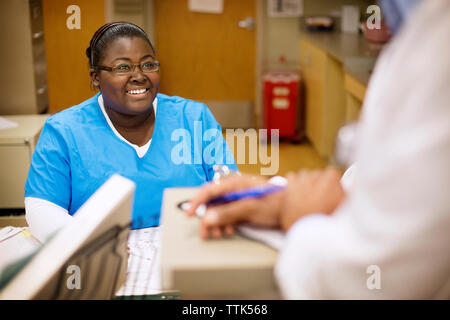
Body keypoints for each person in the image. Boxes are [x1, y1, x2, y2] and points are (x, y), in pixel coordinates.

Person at [186, 0, 450, 299]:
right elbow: (391, 181)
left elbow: (370, 280)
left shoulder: (439, 48)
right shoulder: (422, 36)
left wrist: (297, 213)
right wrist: (278, 195)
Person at [24, 22, 237, 243]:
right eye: (123, 67)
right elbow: (42, 207)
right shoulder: (64, 131)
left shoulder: (193, 117)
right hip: (99, 255)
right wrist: (92, 247)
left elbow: (229, 185)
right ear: (95, 76)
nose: (139, 75)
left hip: (190, 245)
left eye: (148, 65)